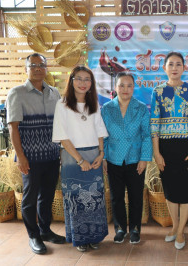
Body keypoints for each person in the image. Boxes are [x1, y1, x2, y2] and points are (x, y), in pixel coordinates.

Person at [6, 53, 65, 255]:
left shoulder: (54, 93)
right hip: (29, 158)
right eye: (33, 65)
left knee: (47, 196)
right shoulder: (17, 93)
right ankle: (34, 236)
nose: (38, 68)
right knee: (30, 198)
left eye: (42, 65)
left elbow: (60, 125)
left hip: (51, 156)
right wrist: (20, 156)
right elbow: (13, 128)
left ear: (46, 68)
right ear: (26, 69)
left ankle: (46, 231)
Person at [52, 66, 109, 252]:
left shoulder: (94, 103)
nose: (83, 83)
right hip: (72, 158)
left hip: (94, 156)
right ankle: (80, 238)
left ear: (91, 84)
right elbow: (62, 136)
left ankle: (94, 236)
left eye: (87, 79)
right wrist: (80, 160)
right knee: (76, 199)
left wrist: (101, 154)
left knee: (95, 197)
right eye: (79, 79)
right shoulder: (62, 104)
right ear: (71, 80)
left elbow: (99, 129)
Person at [150, 51, 188, 250]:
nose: (174, 68)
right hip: (165, 147)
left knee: (186, 189)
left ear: (184, 68)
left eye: (178, 64)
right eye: (170, 64)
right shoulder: (158, 91)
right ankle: (174, 226)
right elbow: (154, 123)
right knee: (170, 190)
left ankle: (181, 231)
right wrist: (156, 152)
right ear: (164, 68)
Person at [101, 72, 153, 244]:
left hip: (135, 159)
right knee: (116, 197)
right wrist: (104, 158)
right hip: (114, 158)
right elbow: (104, 136)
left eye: (129, 85)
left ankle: (136, 229)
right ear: (115, 88)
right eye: (121, 85)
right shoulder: (107, 109)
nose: (125, 89)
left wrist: (144, 158)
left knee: (136, 196)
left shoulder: (140, 108)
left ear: (134, 88)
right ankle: (120, 228)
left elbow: (146, 135)